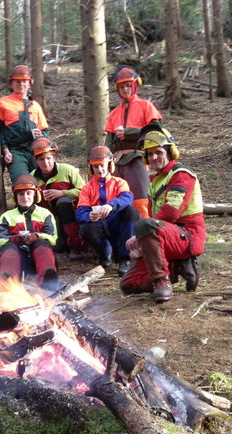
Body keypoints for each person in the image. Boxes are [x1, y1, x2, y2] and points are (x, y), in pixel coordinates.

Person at [120, 127, 205, 303]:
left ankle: (161, 281)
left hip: (187, 236)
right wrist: (142, 244)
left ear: (170, 152)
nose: (154, 158)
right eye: (149, 154)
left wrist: (139, 236)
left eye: (158, 152)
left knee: (144, 226)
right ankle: (177, 267)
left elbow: (171, 213)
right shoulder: (154, 180)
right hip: (165, 235)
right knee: (129, 284)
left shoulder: (181, 175)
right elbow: (154, 219)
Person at [104, 65, 163, 219]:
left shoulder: (146, 106)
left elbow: (156, 130)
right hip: (117, 161)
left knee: (141, 200)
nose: (125, 89)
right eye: (122, 86)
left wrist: (129, 132)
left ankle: (145, 234)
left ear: (136, 85)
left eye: (128, 85)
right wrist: (104, 160)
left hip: (137, 158)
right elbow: (108, 142)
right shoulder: (114, 113)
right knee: (115, 200)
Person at [75, 146, 137, 277]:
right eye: (96, 166)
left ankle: (125, 259)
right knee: (85, 228)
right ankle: (105, 253)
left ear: (110, 164)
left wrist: (111, 206)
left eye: (102, 165)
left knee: (131, 212)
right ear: (91, 168)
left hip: (118, 223)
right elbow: (80, 213)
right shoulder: (87, 188)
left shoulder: (120, 182)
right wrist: (88, 216)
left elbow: (127, 198)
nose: (100, 169)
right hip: (99, 225)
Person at [0, 175, 59, 289]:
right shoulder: (7, 216)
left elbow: (53, 238)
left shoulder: (45, 214)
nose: (25, 197)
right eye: (21, 194)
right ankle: (9, 282)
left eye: (29, 193)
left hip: (40, 259)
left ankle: (49, 281)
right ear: (15, 197)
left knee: (42, 243)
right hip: (17, 260)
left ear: (35, 195)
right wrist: (13, 239)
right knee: (9, 247)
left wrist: (36, 236)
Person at [30, 137, 87, 259]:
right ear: (37, 161)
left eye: (48, 158)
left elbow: (84, 191)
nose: (46, 162)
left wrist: (62, 193)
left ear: (54, 158)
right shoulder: (32, 177)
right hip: (51, 217)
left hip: (73, 214)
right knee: (58, 248)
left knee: (63, 203)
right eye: (41, 159)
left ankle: (76, 247)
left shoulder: (67, 170)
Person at [0, 65, 49, 183]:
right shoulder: (2, 103)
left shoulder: (35, 105)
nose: (21, 84)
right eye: (17, 81)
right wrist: (5, 150)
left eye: (24, 81)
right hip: (15, 150)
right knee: (21, 182)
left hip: (35, 150)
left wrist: (40, 136)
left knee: (41, 182)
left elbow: (45, 130)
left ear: (29, 83)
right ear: (11, 83)